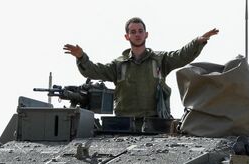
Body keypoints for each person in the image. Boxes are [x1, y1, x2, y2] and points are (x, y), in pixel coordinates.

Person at [64, 17, 219, 123]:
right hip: (124, 123)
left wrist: (197, 42)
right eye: (133, 32)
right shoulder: (118, 65)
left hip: (155, 121)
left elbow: (181, 55)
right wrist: (81, 57)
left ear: (146, 34)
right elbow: (93, 71)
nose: (137, 34)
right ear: (127, 36)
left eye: (140, 31)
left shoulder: (159, 60)